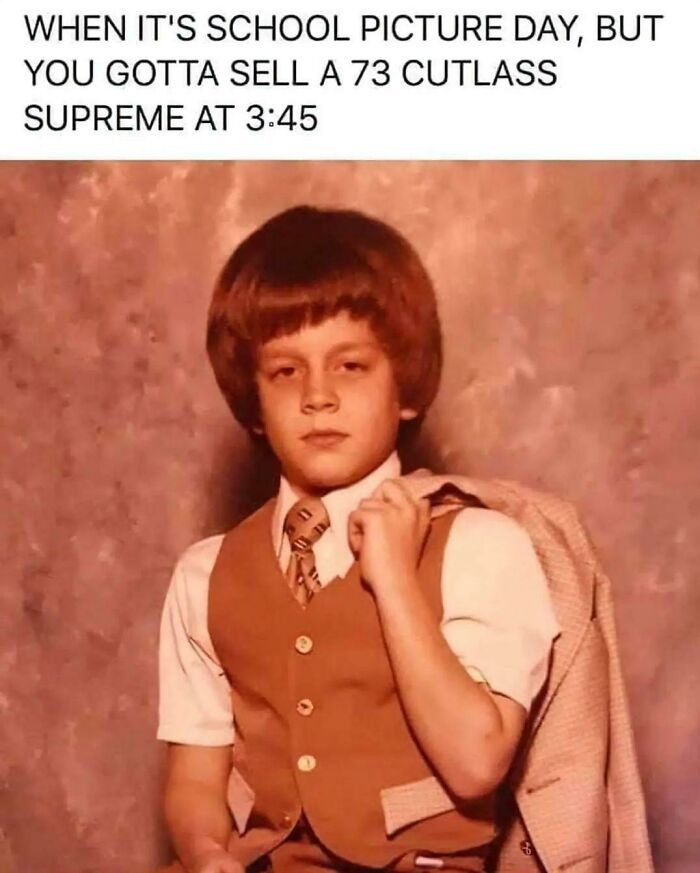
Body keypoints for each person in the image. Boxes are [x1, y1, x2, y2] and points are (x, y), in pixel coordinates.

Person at [156, 205, 562, 873]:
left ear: (405, 387)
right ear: (253, 401)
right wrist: (204, 852)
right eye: (285, 371)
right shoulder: (205, 574)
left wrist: (395, 578)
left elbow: (476, 762)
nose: (317, 396)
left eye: (350, 365)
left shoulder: (482, 547)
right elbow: (196, 776)